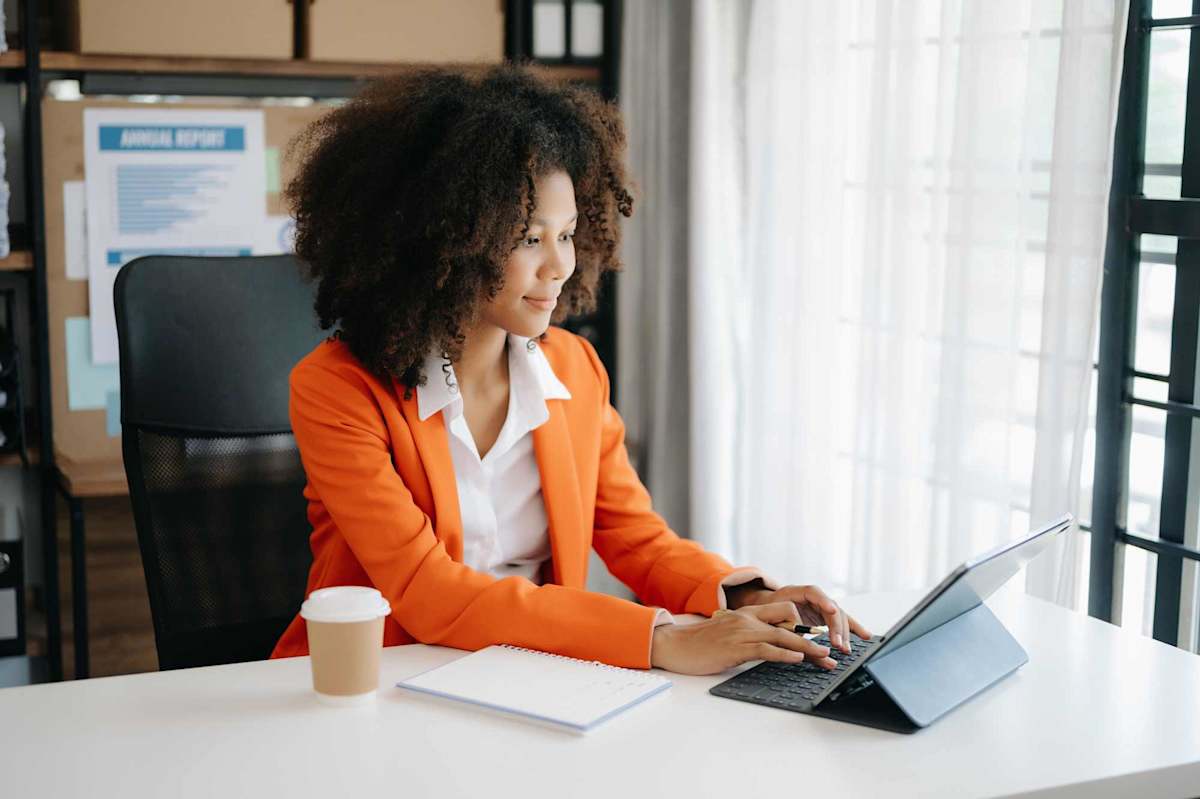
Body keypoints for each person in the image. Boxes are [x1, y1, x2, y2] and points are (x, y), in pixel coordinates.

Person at [270, 63, 869, 674]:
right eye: (530, 238)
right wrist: (658, 639)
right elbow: (427, 592)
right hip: (374, 679)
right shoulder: (338, 389)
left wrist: (744, 596)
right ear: (442, 241)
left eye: (570, 233)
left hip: (536, 675)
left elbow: (637, 539)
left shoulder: (574, 369)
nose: (559, 265)